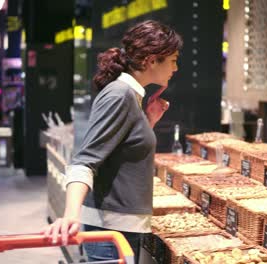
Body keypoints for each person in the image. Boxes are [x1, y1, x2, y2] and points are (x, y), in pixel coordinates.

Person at [43, 20, 182, 263]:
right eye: (172, 60)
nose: (176, 68)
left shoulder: (132, 96)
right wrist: (70, 214)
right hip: (110, 228)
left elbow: (121, 151)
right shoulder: (120, 95)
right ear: (151, 60)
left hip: (121, 223)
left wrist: (148, 120)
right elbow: (85, 160)